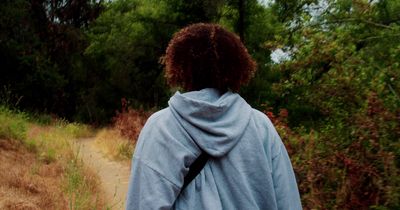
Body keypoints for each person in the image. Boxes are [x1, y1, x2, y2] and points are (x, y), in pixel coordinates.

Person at [126, 23, 302, 210]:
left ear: (179, 67)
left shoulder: (161, 128)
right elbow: (287, 201)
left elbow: (144, 203)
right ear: (237, 66)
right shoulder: (261, 127)